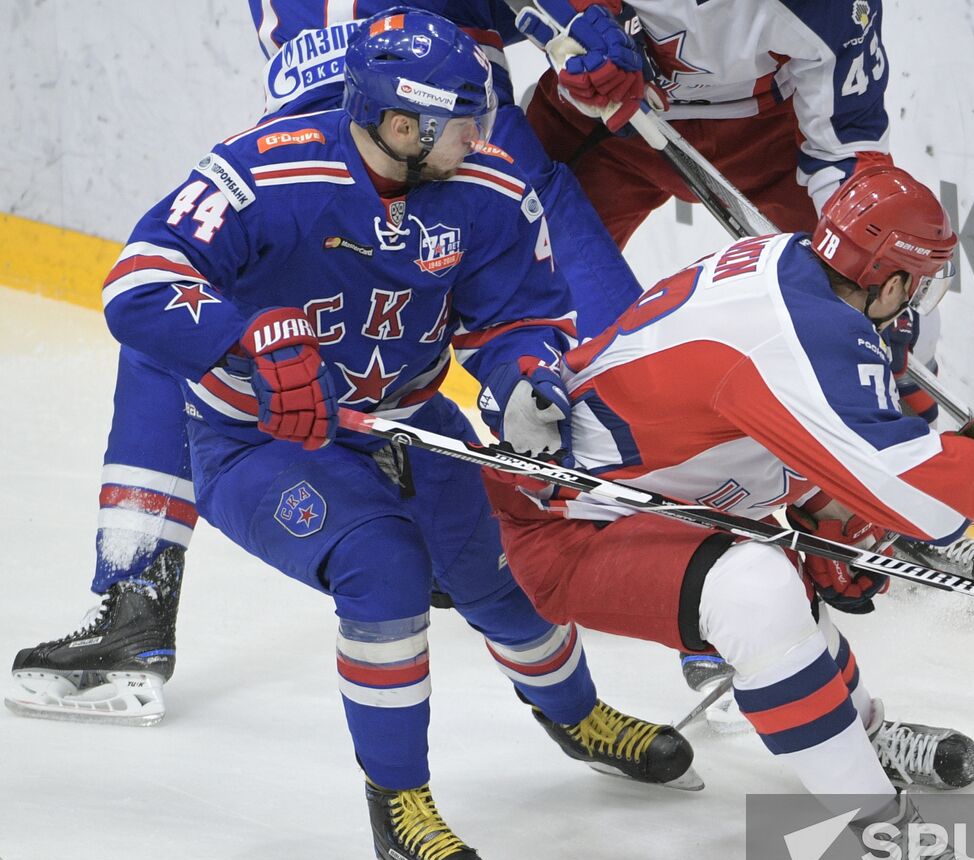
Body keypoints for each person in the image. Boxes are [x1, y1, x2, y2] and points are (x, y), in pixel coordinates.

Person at [92, 10, 698, 860]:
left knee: (502, 576)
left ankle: (576, 718)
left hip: (411, 420)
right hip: (258, 439)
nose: (484, 136)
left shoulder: (487, 189)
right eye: (464, 121)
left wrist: (528, 377)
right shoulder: (265, 170)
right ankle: (400, 805)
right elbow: (136, 281)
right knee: (384, 569)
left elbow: (520, 315)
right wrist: (243, 334)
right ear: (405, 124)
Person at [7, 0, 641, 726]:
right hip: (335, 141)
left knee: (589, 371)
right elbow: (150, 289)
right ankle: (136, 600)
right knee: (184, 322)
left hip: (459, 139)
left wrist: (580, 19)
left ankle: (708, 589)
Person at [479, 165, 974, 860]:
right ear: (892, 276)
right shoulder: (802, 332)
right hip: (572, 526)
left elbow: (767, 431)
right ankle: (882, 829)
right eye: (919, 282)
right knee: (757, 589)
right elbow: (921, 501)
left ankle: (861, 732)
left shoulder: (793, 270)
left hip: (661, 496)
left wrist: (829, 516)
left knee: (778, 573)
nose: (918, 301)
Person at [512, 0, 974, 722]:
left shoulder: (827, 9)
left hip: (762, 133)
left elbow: (846, 155)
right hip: (603, 121)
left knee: (880, 311)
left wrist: (871, 312)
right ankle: (698, 590)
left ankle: (866, 510)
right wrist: (569, 22)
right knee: (584, 333)